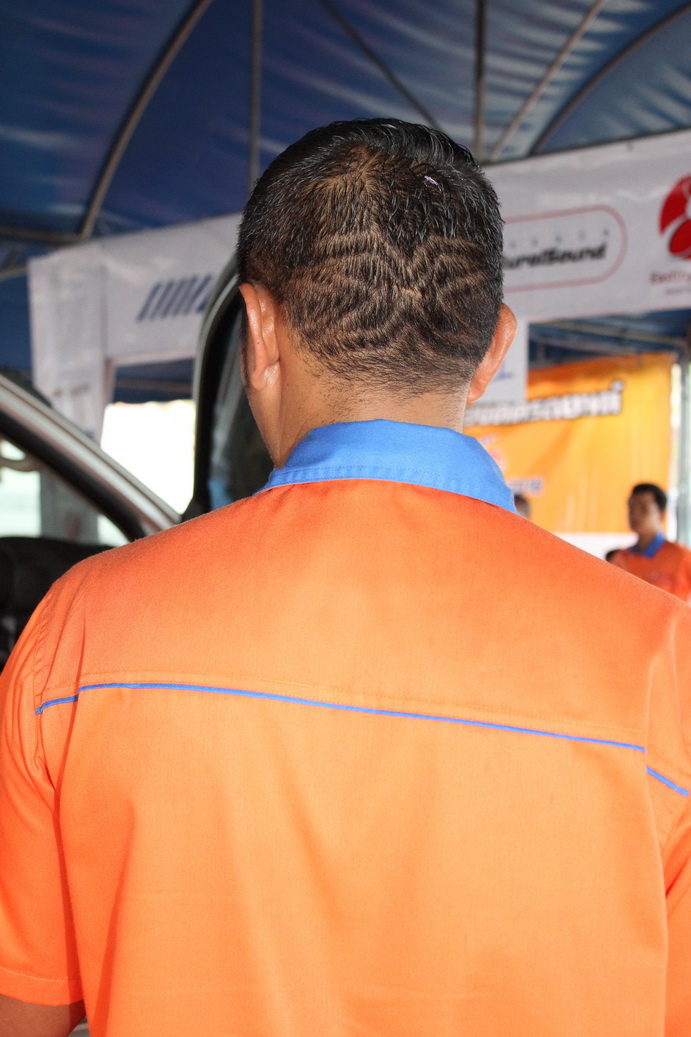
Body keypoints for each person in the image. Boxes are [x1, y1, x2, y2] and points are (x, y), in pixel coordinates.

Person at [1, 119, 690, 1037]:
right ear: (493, 349)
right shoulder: (662, 662)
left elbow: (25, 1008)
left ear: (258, 330)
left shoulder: (83, 633)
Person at [610, 482, 691, 601]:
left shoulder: (682, 557)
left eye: (644, 508)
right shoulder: (619, 559)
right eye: (631, 507)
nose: (635, 514)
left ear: (661, 515)